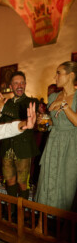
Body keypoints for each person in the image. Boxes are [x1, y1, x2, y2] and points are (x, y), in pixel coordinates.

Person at [0, 71, 39, 201]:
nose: (20, 85)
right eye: (16, 83)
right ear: (10, 87)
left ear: (25, 85)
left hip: (23, 149)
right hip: (7, 148)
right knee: (10, 180)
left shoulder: (31, 102)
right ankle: (12, 211)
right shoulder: (6, 102)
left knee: (22, 182)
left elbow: (22, 116)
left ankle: (22, 212)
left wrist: (4, 107)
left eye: (22, 83)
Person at [35, 61, 77, 211]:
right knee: (47, 179)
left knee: (67, 183)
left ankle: (65, 228)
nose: (55, 76)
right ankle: (41, 223)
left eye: (59, 73)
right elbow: (54, 122)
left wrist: (64, 106)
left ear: (71, 75)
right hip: (53, 142)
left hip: (72, 145)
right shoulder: (53, 97)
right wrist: (45, 121)